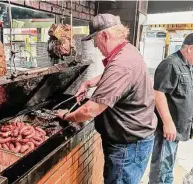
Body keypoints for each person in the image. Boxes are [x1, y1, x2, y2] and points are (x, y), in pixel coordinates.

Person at [56, 13, 157, 184]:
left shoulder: (121, 64)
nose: (96, 46)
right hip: (134, 141)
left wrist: (67, 116)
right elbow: (115, 75)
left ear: (104, 35)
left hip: (128, 146)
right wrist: (89, 83)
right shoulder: (128, 51)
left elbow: (90, 110)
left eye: (95, 41)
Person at [149, 33, 193, 184]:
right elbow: (158, 93)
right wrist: (168, 123)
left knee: (167, 167)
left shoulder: (187, 66)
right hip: (168, 130)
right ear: (190, 49)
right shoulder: (171, 64)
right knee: (161, 169)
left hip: (178, 130)